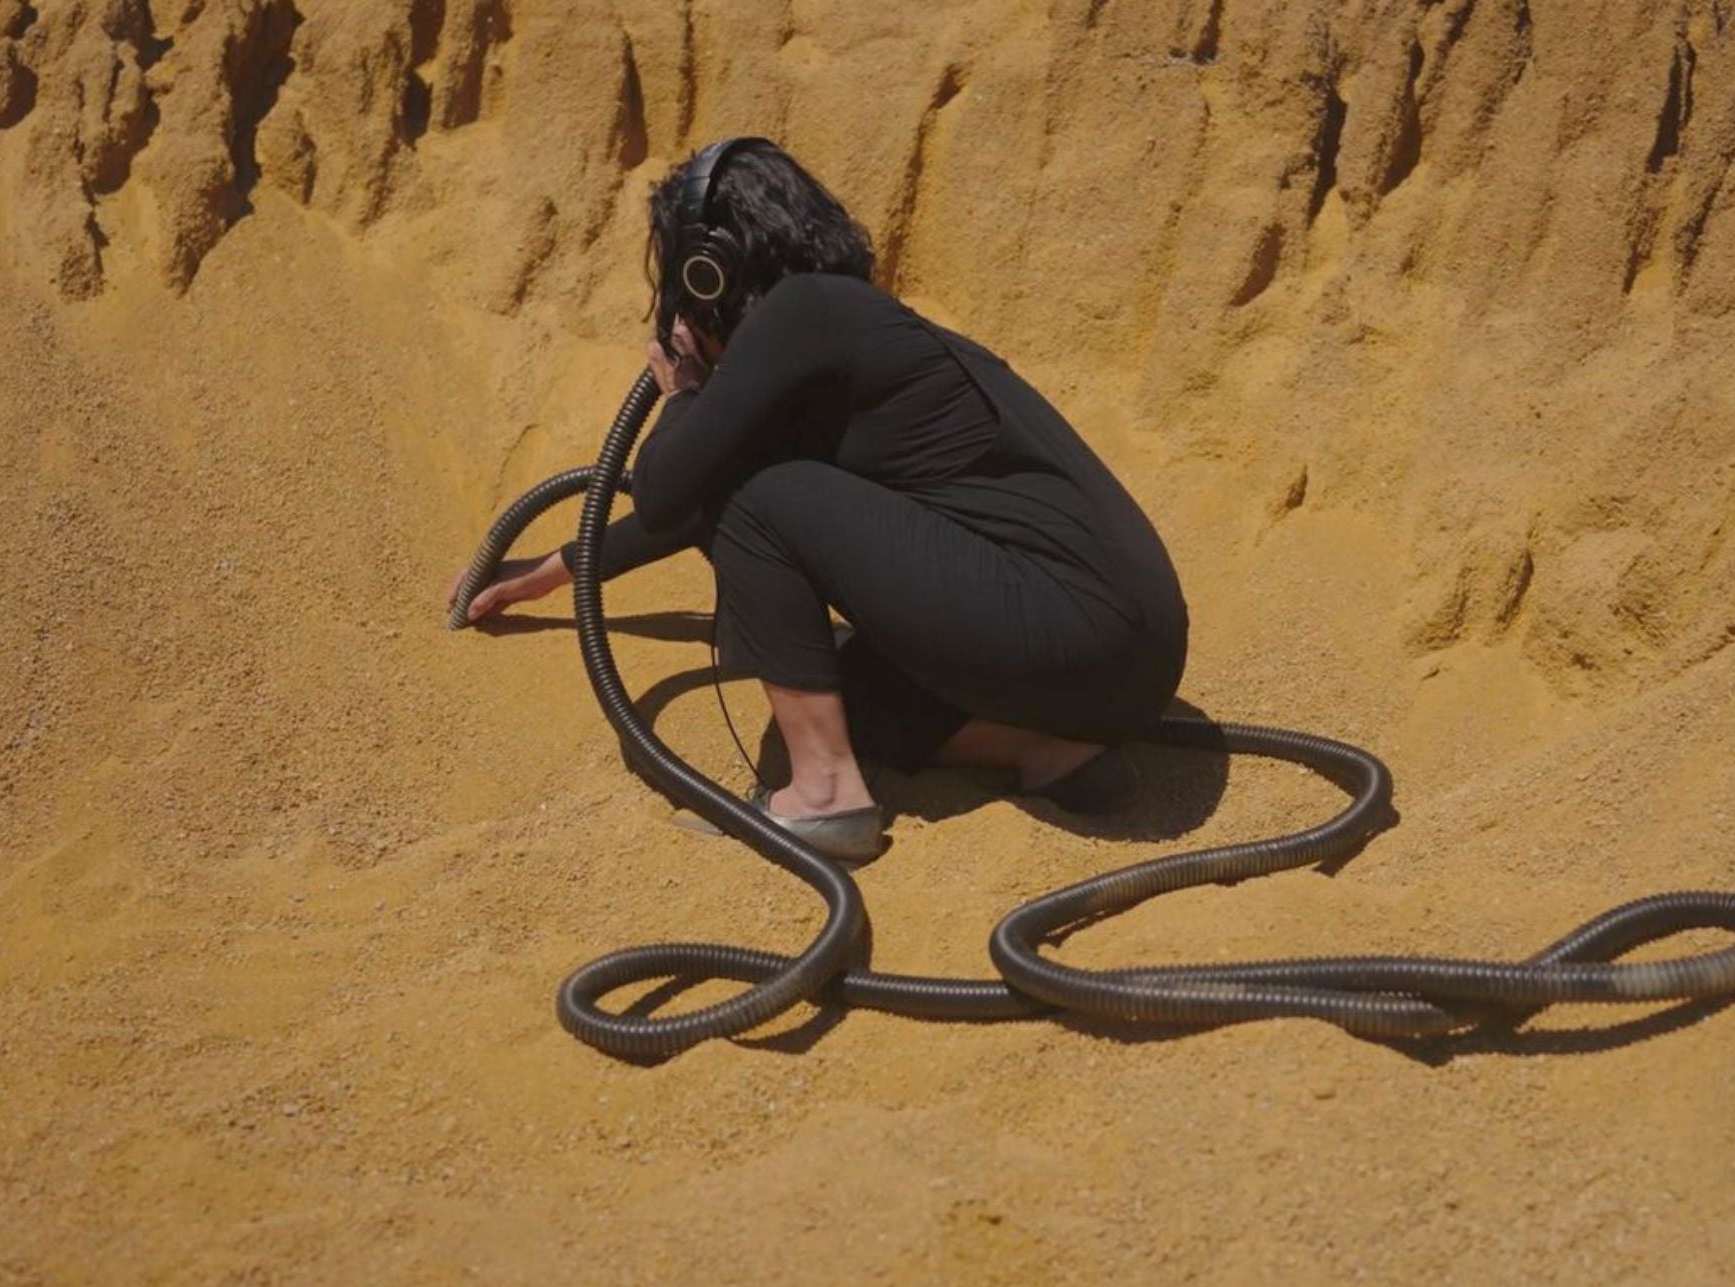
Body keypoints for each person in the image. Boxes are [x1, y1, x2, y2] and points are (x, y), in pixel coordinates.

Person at [447, 138, 1188, 861]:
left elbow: (687, 490)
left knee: (756, 502)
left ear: (708, 269)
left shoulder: (801, 314)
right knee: (846, 690)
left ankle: (826, 796)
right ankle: (1047, 749)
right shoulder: (839, 325)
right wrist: (557, 568)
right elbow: (702, 499)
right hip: (1131, 668)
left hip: (1070, 625)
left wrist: (682, 395)